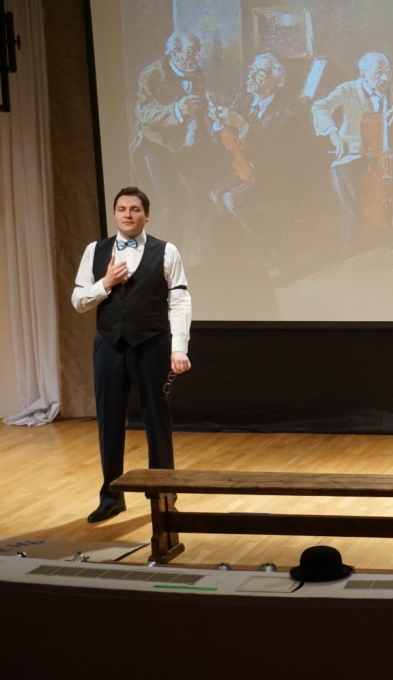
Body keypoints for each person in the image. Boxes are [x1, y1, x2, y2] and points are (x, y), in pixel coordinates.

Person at [71, 187, 193, 523]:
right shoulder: (95, 250)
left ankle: (164, 494)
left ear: (146, 215)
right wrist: (106, 283)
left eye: (135, 209)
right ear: (114, 214)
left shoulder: (166, 251)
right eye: (122, 209)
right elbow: (78, 301)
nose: (128, 214)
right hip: (109, 345)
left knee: (156, 420)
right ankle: (111, 496)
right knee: (109, 420)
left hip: (151, 343)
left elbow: (180, 300)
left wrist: (178, 348)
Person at [310, 52, 393, 250]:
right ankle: (352, 234)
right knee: (339, 170)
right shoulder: (348, 90)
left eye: (388, 71)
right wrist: (333, 134)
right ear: (363, 74)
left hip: (387, 153)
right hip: (354, 150)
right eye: (378, 72)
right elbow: (319, 107)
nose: (385, 77)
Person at [210, 52, 301, 280]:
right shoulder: (243, 100)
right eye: (251, 70)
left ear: (275, 80)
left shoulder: (288, 109)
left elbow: (272, 150)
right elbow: (225, 142)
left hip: (277, 174)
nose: (250, 76)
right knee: (216, 192)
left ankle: (283, 258)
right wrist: (218, 126)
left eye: (259, 72)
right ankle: (250, 253)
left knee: (234, 198)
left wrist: (241, 124)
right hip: (246, 168)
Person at [130, 31, 215, 249]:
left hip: (188, 146)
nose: (197, 57)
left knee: (202, 196)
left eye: (198, 51)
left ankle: (205, 256)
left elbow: (201, 105)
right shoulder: (151, 74)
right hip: (157, 146)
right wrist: (177, 109)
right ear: (175, 53)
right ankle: (164, 257)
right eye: (191, 52)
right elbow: (145, 113)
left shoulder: (197, 72)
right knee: (169, 204)